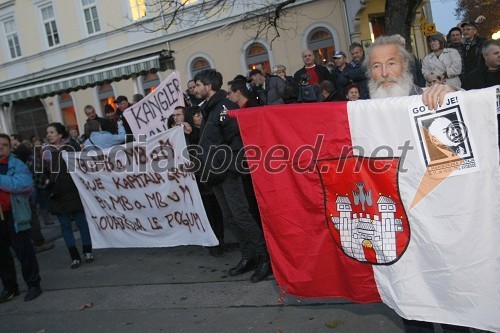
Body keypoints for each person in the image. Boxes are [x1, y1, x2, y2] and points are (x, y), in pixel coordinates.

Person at [365, 34, 468, 333]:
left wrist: (453, 98)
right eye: (375, 66)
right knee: (412, 307)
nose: (383, 74)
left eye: (391, 63)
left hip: (441, 229)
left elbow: (456, 165)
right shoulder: (362, 116)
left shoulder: (435, 100)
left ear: (407, 66)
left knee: (455, 308)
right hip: (398, 231)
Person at [193, 69, 271, 282]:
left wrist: (230, 168)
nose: (195, 88)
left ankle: (265, 258)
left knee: (242, 216)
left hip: (227, 172)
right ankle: (248, 256)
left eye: (198, 84)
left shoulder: (225, 108)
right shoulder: (209, 109)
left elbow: (238, 141)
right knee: (231, 218)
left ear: (209, 86)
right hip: (215, 173)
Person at [43, 123, 94, 269]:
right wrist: (46, 180)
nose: (49, 135)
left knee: (81, 222)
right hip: (57, 195)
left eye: (52, 132)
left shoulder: (71, 148)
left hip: (73, 192)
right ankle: (74, 256)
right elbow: (40, 172)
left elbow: (82, 165)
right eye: (48, 132)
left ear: (60, 134)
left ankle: (87, 251)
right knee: (65, 226)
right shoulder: (45, 152)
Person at [0, 134, 43, 302]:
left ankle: (34, 285)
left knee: (24, 252)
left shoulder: (17, 164)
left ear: (10, 148)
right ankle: (10, 288)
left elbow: (24, 184)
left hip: (15, 215)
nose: (1, 147)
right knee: (2, 256)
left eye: (5, 145)